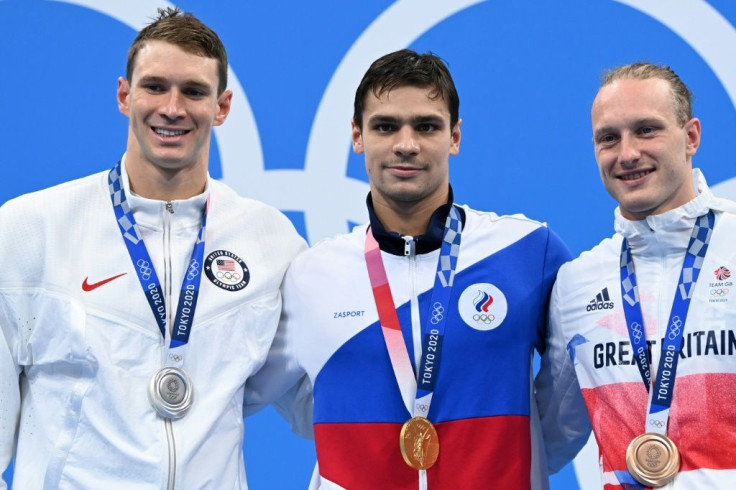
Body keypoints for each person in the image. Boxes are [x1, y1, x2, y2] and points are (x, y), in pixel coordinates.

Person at [247, 49, 589, 489]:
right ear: (357, 136)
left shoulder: (527, 251)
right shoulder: (311, 275)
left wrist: (523, 453)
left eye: (426, 126)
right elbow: (267, 393)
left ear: (455, 137)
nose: (405, 144)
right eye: (385, 126)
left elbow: (576, 384)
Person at [0, 8, 306, 489]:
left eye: (194, 91)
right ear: (125, 95)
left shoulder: (269, 240)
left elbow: (316, 403)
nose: (172, 107)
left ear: (222, 107)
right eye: (155, 86)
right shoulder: (30, 230)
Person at [545, 62, 736, 488]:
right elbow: (545, 441)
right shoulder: (578, 284)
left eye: (646, 130)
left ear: (691, 138)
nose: (627, 153)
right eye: (608, 138)